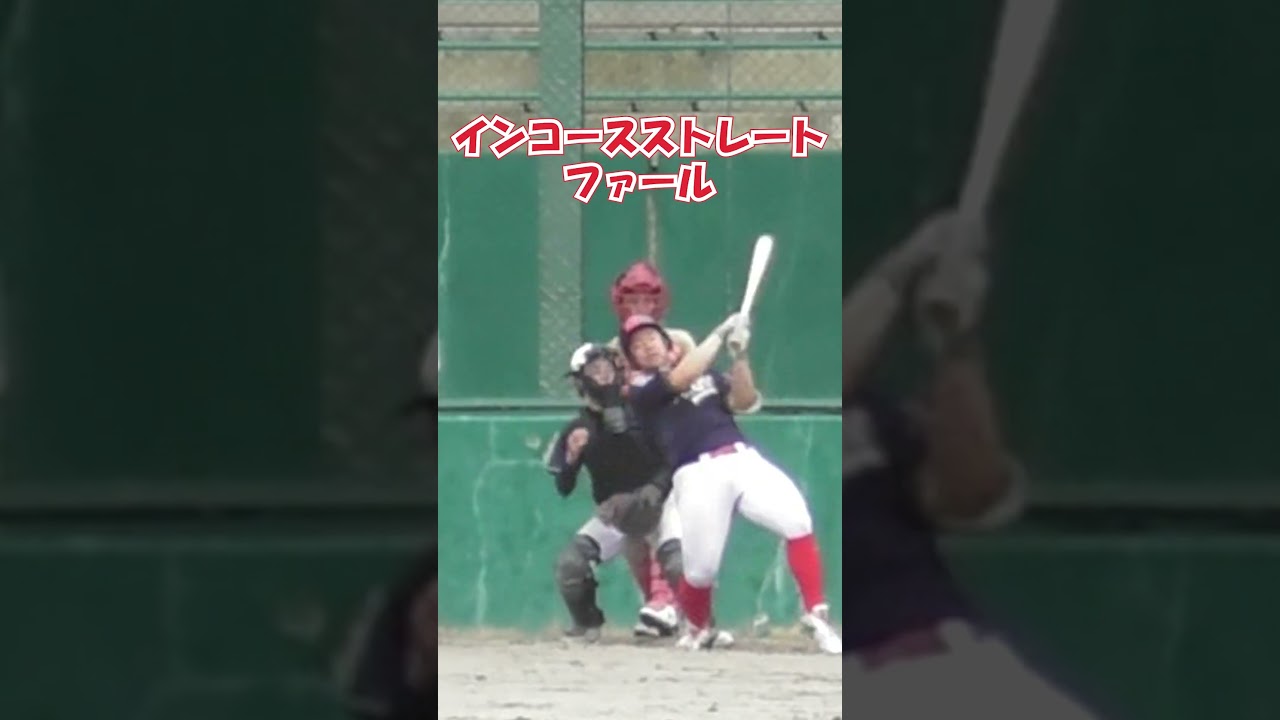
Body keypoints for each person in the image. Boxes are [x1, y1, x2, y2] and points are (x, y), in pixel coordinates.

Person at [841, 210, 1101, 718]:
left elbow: (972, 495)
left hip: (959, 662)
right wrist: (901, 270)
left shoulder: (869, 411)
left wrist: (955, 343)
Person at [621, 312, 842, 653]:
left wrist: (740, 356)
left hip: (742, 459)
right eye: (637, 345)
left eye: (651, 338)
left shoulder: (707, 375)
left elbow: (744, 400)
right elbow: (680, 378)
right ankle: (698, 627)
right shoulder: (641, 391)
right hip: (696, 474)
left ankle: (816, 613)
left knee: (797, 521)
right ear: (632, 358)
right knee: (700, 571)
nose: (647, 346)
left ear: (668, 344)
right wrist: (720, 333)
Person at [544, 342, 684, 639]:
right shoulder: (578, 427)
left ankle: (700, 624)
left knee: (677, 562)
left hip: (659, 500)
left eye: (608, 368)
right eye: (595, 371)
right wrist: (571, 458)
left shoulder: (644, 411)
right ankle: (586, 626)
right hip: (617, 511)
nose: (604, 376)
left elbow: (672, 456)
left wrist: (656, 487)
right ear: (580, 381)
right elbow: (564, 487)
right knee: (571, 565)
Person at [602, 260, 694, 630]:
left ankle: (665, 601)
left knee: (665, 521)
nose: (640, 307)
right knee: (632, 540)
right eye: (633, 300)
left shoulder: (680, 341)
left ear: (659, 303)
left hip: (679, 444)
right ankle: (661, 607)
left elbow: (699, 384)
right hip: (640, 451)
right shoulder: (613, 350)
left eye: (647, 300)